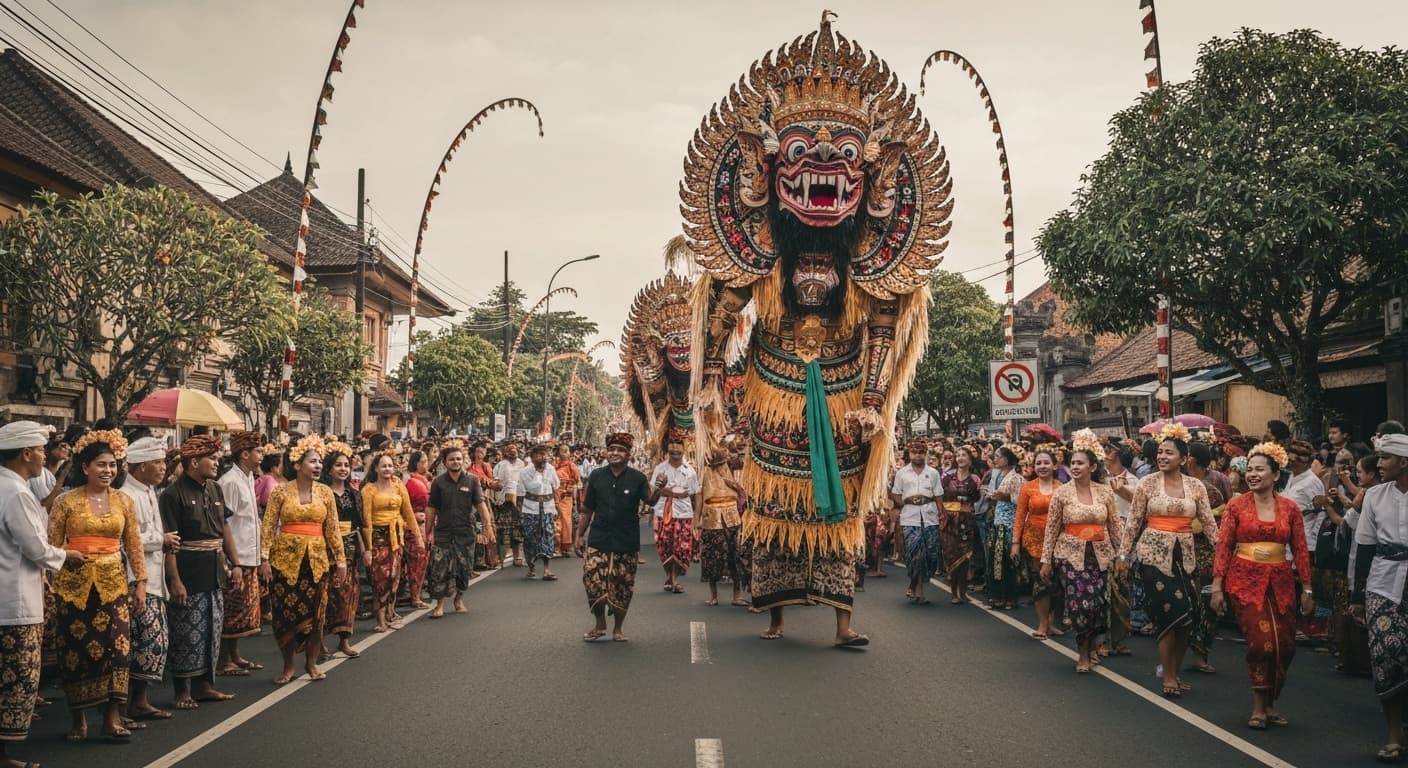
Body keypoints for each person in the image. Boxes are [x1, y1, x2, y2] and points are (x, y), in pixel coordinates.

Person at [48, 429, 144, 741]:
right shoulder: (65, 502)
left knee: (117, 650)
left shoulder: (124, 501)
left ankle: (112, 717)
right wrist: (67, 555)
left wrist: (140, 584)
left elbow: (134, 545)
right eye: (101, 464)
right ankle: (79, 720)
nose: (108, 470)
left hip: (113, 587)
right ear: (85, 467)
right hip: (74, 589)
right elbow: (50, 546)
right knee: (75, 653)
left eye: (112, 465)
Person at [1210, 442, 1313, 731]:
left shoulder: (1290, 509)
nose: (1253, 475)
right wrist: (1217, 587)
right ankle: (1258, 706)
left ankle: (1270, 703)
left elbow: (1300, 550)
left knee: (1285, 645)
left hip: (1281, 582)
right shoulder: (1236, 506)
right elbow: (1224, 546)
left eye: (1260, 469)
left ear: (1276, 475)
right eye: (1250, 470)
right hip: (1244, 580)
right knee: (1261, 642)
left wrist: (1307, 589)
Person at [0, 422, 82, 765]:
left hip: (11, 596)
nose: (44, 456)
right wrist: (67, 556)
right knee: (14, 680)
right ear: (26, 453)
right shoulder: (17, 493)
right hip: (15, 601)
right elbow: (36, 548)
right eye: (39, 450)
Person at [1118, 423, 1218, 699]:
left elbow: (1209, 525)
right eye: (1160, 452)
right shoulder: (1147, 483)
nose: (1162, 456)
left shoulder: (1196, 486)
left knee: (1188, 616)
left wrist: (1225, 554)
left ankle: (1173, 669)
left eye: (1169, 453)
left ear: (1184, 459)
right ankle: (1169, 676)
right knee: (1168, 612)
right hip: (1153, 555)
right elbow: (1134, 521)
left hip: (1185, 557)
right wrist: (1124, 555)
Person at [160, 434, 237, 710]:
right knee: (186, 631)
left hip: (214, 568)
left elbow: (224, 528)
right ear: (194, 462)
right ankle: (182, 690)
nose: (217, 463)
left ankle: (205, 686)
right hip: (187, 569)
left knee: (212, 629)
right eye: (212, 459)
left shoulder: (215, 488)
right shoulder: (172, 494)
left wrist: (235, 563)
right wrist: (175, 580)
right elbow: (170, 543)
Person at [259, 436, 345, 684]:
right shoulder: (280, 491)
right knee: (285, 615)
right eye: (312, 461)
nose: (318, 466)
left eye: (319, 462)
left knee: (317, 614)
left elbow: (332, 529)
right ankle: (288, 666)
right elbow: (268, 526)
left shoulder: (325, 492)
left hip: (317, 562)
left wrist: (340, 561)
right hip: (284, 562)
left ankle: (311, 663)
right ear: (297, 465)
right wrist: (264, 558)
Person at [1042, 434, 1122, 673]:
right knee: (1080, 606)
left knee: (1098, 605)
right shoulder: (1062, 493)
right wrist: (1046, 560)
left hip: (1101, 556)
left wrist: (1122, 555)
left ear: (1093, 467)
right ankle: (1083, 654)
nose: (1075, 467)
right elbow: (1052, 527)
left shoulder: (1105, 492)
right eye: (1073, 463)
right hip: (1070, 556)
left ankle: (1095, 643)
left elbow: (1115, 526)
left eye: (1080, 463)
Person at [1351, 432, 1408, 761]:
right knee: (1387, 653)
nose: (1379, 464)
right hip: (1383, 583)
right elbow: (1365, 548)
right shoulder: (1374, 496)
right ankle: (1394, 733)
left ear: (1404, 462)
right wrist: (1357, 597)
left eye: (1385, 458)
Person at [121, 437, 178, 722]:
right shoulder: (127, 495)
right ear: (141, 466)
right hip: (137, 579)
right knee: (141, 642)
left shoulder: (149, 491)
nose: (163, 467)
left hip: (154, 577)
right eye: (157, 462)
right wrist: (161, 539)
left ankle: (139, 701)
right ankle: (131, 703)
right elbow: (127, 539)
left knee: (154, 642)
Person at [576, 433, 652, 642]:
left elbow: (650, 500)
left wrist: (660, 488)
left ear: (628, 455)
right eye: (611, 449)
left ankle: (618, 628)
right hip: (599, 537)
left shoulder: (638, 478)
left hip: (626, 540)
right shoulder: (596, 476)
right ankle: (600, 624)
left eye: (620, 450)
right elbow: (587, 509)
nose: (614, 453)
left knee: (623, 585)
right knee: (591, 579)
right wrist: (579, 535)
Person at [425, 442, 494, 618]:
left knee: (465, 568)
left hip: (466, 532)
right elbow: (431, 508)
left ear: (463, 461)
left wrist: (488, 528)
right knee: (439, 569)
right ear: (444, 462)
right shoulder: (438, 483)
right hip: (444, 532)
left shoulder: (472, 480)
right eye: (451, 459)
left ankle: (458, 599)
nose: (455, 462)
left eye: (458, 459)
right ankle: (439, 605)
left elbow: (481, 506)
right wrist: (428, 532)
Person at [216, 431, 264, 677]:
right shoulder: (230, 482)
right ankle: (223, 660)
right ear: (245, 454)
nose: (262, 455)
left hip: (250, 554)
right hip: (237, 556)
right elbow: (224, 523)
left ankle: (234, 655)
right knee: (231, 610)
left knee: (243, 610)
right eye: (258, 451)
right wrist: (231, 560)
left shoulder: (248, 478)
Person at [361, 452, 420, 633]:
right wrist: (367, 548)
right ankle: (380, 619)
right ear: (376, 468)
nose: (387, 469)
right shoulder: (368, 490)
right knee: (380, 578)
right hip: (377, 537)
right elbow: (366, 520)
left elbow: (408, 512)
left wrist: (418, 537)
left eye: (390, 466)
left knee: (395, 576)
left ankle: (390, 611)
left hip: (396, 537)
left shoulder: (398, 485)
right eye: (383, 466)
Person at [321, 440, 367, 659]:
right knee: (326, 594)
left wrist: (365, 549)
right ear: (329, 469)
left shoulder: (354, 494)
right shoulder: (321, 493)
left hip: (349, 548)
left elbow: (359, 525)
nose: (343, 469)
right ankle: (319, 642)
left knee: (349, 594)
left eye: (346, 465)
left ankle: (344, 640)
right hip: (325, 547)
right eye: (338, 465)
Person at [1013, 449, 1062, 639]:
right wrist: (1015, 542)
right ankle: (1042, 623)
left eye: (1046, 463)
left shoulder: (1062, 487)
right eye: (1038, 463)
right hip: (1034, 541)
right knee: (1041, 581)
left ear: (1054, 466)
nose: (1042, 466)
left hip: (1058, 540)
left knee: (1056, 582)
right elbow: (1020, 516)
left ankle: (1051, 621)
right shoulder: (1028, 488)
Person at [890, 440, 941, 605]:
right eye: (914, 452)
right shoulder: (902, 473)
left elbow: (938, 495)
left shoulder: (933, 473)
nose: (917, 455)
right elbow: (895, 493)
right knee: (915, 554)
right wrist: (906, 501)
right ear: (909, 454)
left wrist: (941, 514)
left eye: (921, 452)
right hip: (910, 517)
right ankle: (919, 590)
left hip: (930, 517)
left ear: (925, 454)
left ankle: (913, 583)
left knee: (931, 554)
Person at [697, 446, 746, 607]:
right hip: (712, 519)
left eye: (722, 463)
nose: (721, 466)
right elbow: (700, 497)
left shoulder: (731, 472)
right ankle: (713, 596)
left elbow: (742, 494)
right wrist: (697, 520)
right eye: (719, 464)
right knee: (712, 558)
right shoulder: (705, 473)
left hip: (732, 518)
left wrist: (736, 487)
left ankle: (736, 596)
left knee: (735, 557)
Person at [651, 440, 698, 594]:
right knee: (664, 546)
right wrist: (674, 492)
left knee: (682, 547)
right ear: (667, 449)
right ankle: (669, 576)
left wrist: (698, 517)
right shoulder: (660, 469)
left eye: (678, 446)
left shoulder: (690, 471)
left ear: (684, 449)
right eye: (672, 446)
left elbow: (692, 493)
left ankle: (674, 579)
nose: (675, 450)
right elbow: (655, 489)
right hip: (662, 513)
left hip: (683, 514)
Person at [982, 445, 1024, 610]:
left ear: (1007, 459)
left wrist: (1005, 497)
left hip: (1010, 523)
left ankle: (1010, 596)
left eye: (998, 456)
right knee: (995, 560)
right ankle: (997, 595)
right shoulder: (996, 475)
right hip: (997, 521)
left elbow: (1020, 501)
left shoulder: (1016, 478)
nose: (995, 459)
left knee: (1008, 561)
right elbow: (993, 495)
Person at [940, 446, 981, 604]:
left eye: (964, 455)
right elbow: (940, 497)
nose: (960, 458)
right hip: (949, 522)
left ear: (970, 459)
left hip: (966, 521)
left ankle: (963, 592)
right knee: (951, 555)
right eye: (958, 455)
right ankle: (953, 592)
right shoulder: (948, 478)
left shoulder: (975, 479)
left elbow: (976, 499)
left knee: (965, 557)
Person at [518, 443, 561, 581]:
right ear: (532, 458)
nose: (542, 458)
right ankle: (531, 568)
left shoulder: (551, 469)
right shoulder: (525, 472)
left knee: (548, 536)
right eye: (538, 455)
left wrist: (556, 505)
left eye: (544, 455)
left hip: (547, 507)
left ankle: (547, 570)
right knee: (530, 537)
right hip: (530, 508)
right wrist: (519, 513)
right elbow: (526, 490)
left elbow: (556, 486)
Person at [402, 450, 432, 610]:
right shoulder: (408, 480)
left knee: (422, 560)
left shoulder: (424, 479)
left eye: (427, 461)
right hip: (412, 525)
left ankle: (416, 593)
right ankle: (414, 596)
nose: (426, 464)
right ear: (416, 463)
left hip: (425, 523)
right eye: (423, 461)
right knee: (416, 560)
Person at [493, 443, 526, 567]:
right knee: (503, 529)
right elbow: (496, 482)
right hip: (504, 501)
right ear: (505, 452)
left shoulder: (521, 464)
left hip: (519, 498)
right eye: (510, 449)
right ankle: (500, 557)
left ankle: (517, 556)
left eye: (514, 449)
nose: (513, 451)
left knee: (518, 527)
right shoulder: (500, 465)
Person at [553, 443, 581, 558]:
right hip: (553, 495)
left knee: (566, 521)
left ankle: (565, 547)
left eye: (567, 450)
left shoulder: (571, 466)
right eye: (563, 450)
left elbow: (578, 482)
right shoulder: (553, 465)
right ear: (558, 453)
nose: (565, 452)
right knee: (555, 520)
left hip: (566, 497)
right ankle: (555, 546)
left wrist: (570, 489)